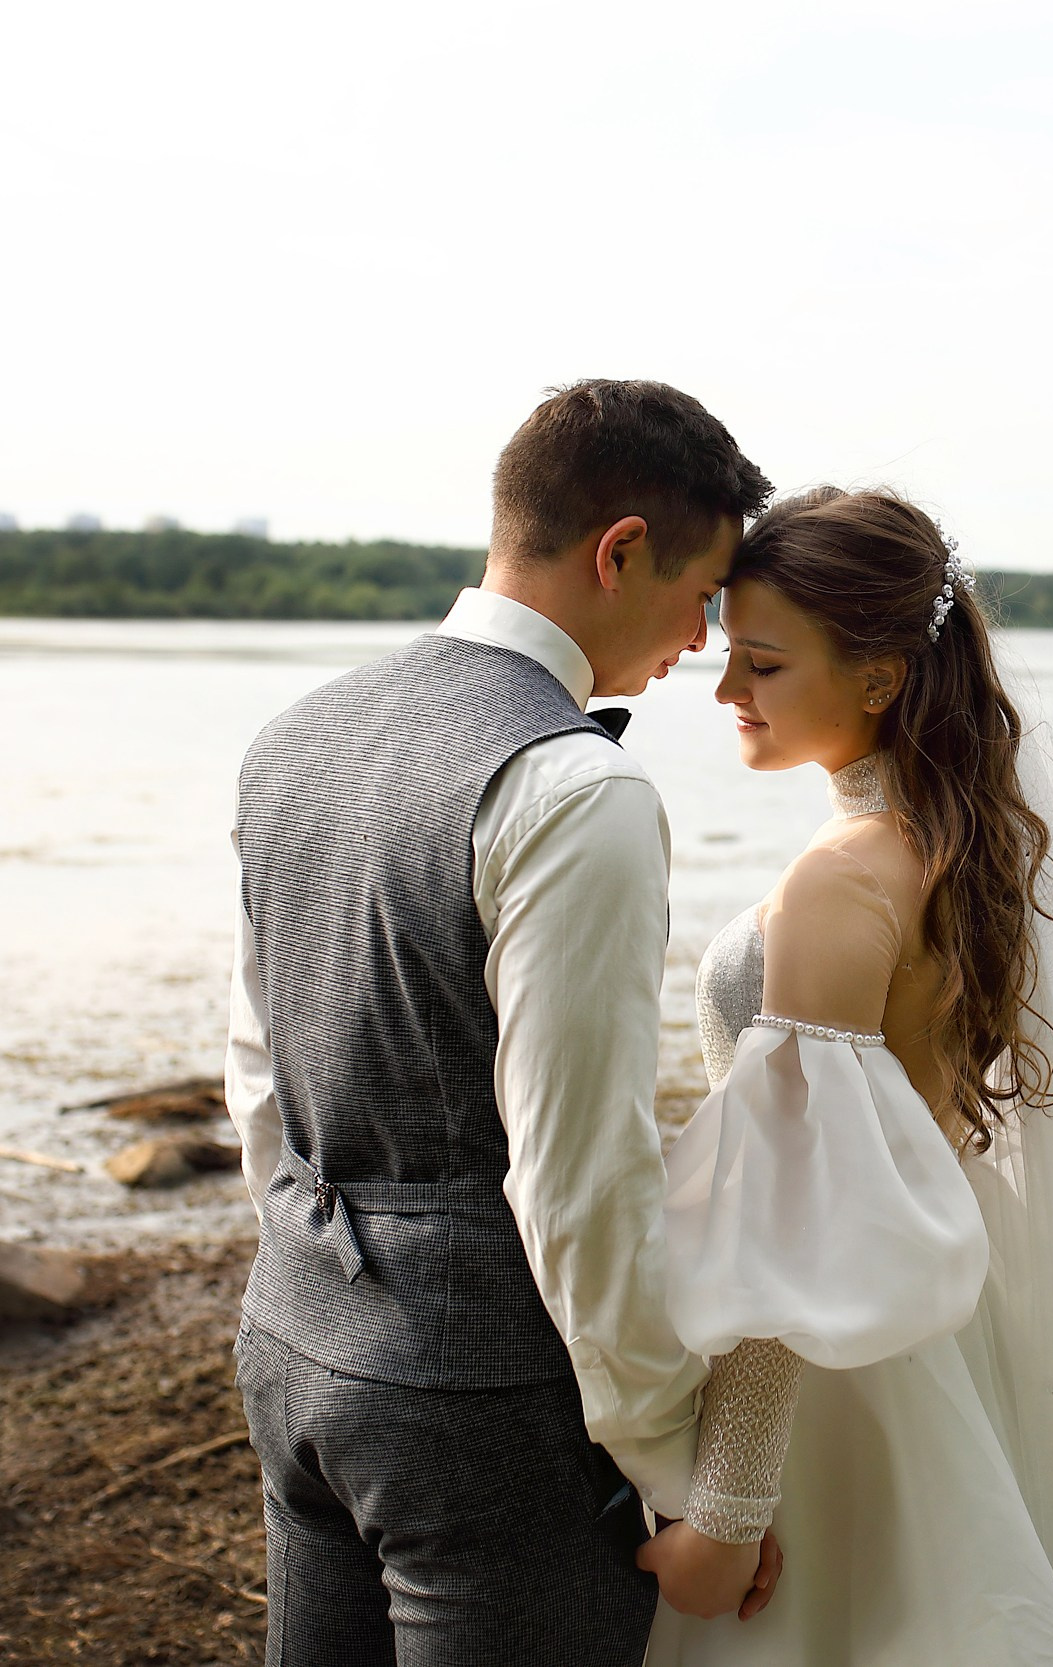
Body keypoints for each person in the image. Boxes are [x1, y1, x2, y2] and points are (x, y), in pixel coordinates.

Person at [223, 379, 780, 1665]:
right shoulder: (573, 787)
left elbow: (259, 1072)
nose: (701, 641)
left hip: (293, 1341)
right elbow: (578, 1173)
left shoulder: (290, 736)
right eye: (702, 594)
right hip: (481, 1404)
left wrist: (323, 1271)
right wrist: (675, 1467)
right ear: (620, 549)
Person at [646, 486, 1053, 1666]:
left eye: (760, 664)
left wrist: (725, 1511)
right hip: (938, 1326)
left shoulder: (843, 877)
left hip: (843, 1375)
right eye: (727, 657)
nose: (724, 693)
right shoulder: (954, 836)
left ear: (877, 677)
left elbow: (798, 1218)